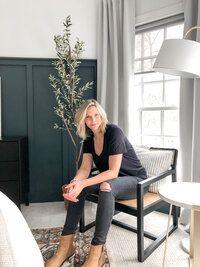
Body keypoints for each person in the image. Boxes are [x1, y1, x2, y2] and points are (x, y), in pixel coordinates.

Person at [45, 99, 147, 267]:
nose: (93, 120)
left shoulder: (114, 132)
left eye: (96, 115)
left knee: (105, 186)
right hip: (111, 180)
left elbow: (113, 172)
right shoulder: (89, 139)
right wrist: (76, 182)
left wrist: (83, 183)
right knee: (79, 188)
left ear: (102, 115)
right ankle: (65, 247)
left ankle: (96, 252)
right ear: (83, 119)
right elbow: (85, 168)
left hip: (135, 181)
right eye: (88, 117)